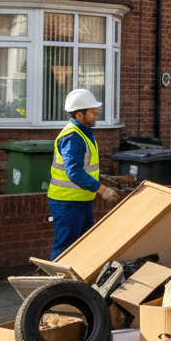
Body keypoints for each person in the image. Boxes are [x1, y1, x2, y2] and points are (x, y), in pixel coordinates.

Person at [47, 88, 120, 260]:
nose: (96, 114)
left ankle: (75, 285)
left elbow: (87, 169)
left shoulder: (84, 133)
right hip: (67, 202)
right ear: (79, 114)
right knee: (65, 248)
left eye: (96, 110)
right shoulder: (73, 137)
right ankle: (57, 285)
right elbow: (74, 173)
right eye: (92, 111)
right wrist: (102, 190)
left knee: (85, 245)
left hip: (80, 200)